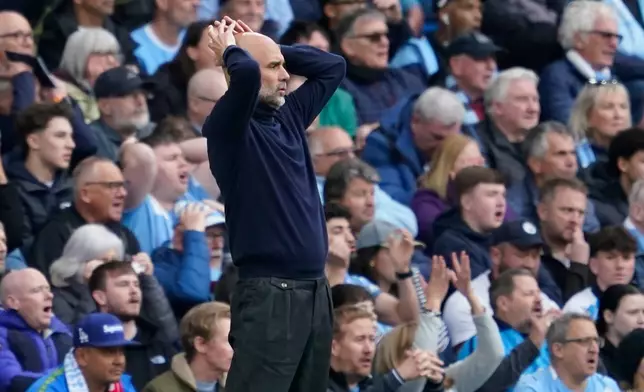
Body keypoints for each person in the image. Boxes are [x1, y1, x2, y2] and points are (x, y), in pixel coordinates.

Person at [204, 16, 345, 392]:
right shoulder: (229, 127)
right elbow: (247, 76)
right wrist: (233, 51)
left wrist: (267, 47)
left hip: (315, 290)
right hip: (270, 293)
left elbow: (333, 67)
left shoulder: (289, 117)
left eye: (285, 65)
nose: (285, 74)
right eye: (275, 67)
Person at [26, 313, 138, 392]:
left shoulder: (124, 386)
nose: (120, 361)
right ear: (82, 356)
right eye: (109, 352)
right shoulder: (50, 389)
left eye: (121, 351)